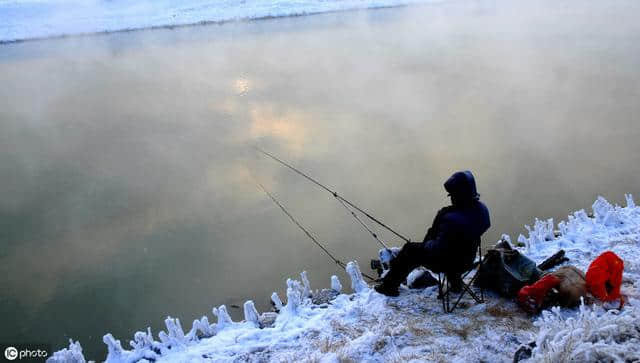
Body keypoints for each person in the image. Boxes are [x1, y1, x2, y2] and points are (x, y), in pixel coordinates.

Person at [374, 171, 491, 297]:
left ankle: (388, 287)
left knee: (410, 250)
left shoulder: (450, 219)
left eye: (452, 195)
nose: (451, 198)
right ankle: (455, 282)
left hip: (448, 263)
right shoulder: (481, 210)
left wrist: (427, 242)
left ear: (459, 195)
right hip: (467, 259)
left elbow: (436, 248)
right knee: (457, 248)